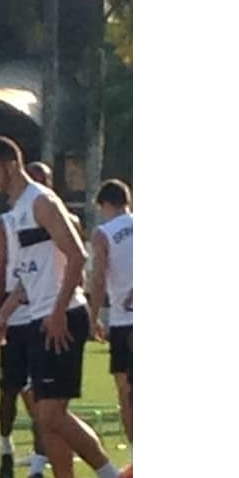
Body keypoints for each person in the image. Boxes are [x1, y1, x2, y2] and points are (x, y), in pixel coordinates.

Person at [0, 137, 132, 478]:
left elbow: (78, 255)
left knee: (52, 412)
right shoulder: (13, 216)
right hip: (37, 318)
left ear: (10, 166)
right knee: (45, 416)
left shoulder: (41, 201)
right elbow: (28, 277)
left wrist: (62, 310)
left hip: (60, 317)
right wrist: (1, 317)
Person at [0, 162, 67, 478]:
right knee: (9, 390)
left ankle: (38, 469)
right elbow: (5, 268)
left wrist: (64, 309)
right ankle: (6, 445)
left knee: (45, 398)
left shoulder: (59, 218)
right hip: (18, 314)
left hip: (46, 313)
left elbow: (73, 261)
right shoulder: (7, 221)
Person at [88, 179, 133, 457]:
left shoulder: (104, 233)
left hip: (123, 320)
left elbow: (99, 278)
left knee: (126, 392)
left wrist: (92, 317)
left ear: (105, 205)